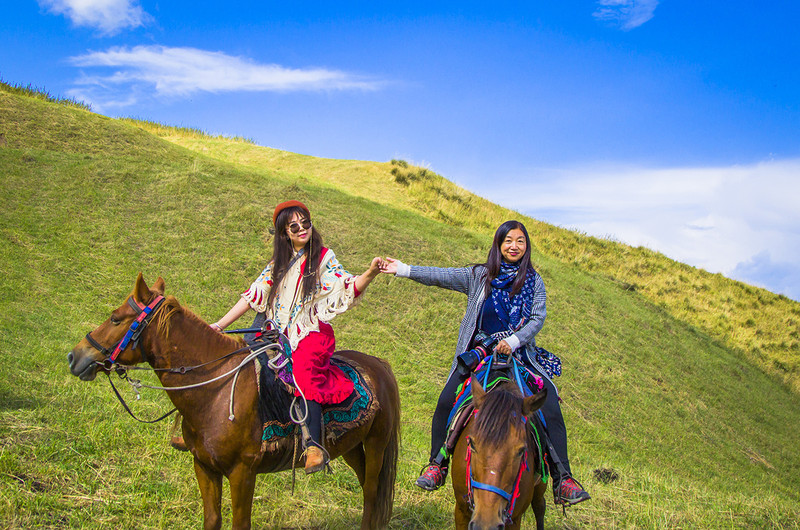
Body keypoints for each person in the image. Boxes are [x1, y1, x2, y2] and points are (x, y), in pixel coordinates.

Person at [379, 220, 590, 505]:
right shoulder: (479, 275)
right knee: (445, 401)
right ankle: (436, 464)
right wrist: (403, 269)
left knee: (549, 405)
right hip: (480, 354)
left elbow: (538, 317)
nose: (514, 246)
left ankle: (563, 477)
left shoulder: (534, 281)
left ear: (526, 246)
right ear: (499, 244)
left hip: (520, 356)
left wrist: (514, 341)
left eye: (520, 241)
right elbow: (441, 276)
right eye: (508, 241)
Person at [210, 200, 382, 474]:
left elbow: (348, 285)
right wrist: (219, 325)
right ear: (284, 233)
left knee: (303, 371)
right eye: (294, 226)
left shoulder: (324, 258)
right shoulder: (277, 264)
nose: (302, 229)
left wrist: (370, 273)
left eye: (306, 223)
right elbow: (251, 296)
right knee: (239, 361)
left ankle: (313, 445)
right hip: (273, 330)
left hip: (309, 332)